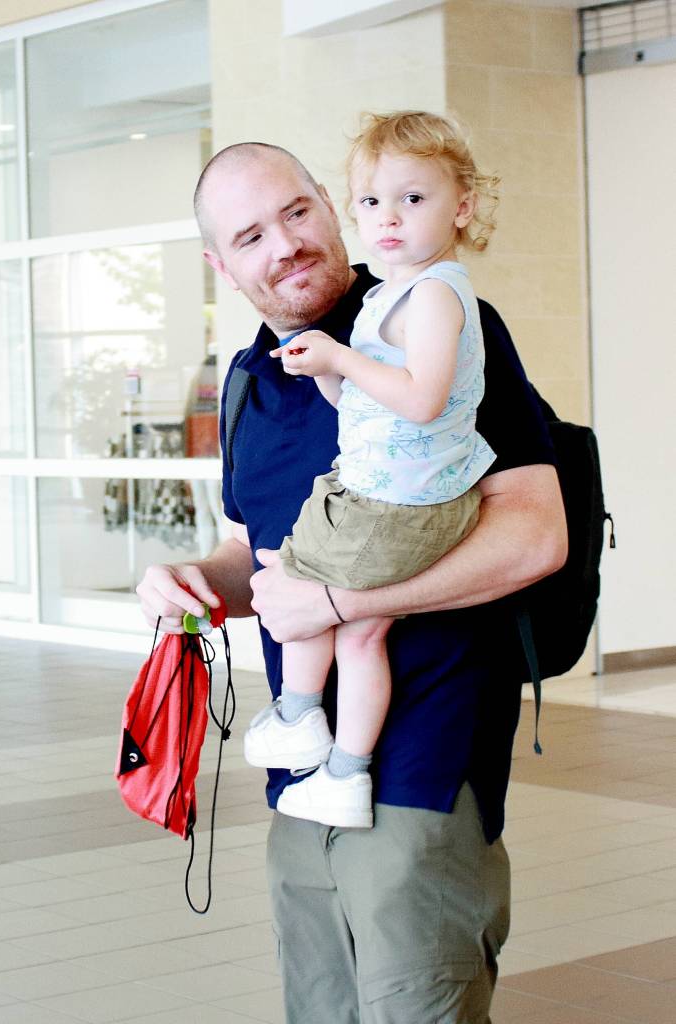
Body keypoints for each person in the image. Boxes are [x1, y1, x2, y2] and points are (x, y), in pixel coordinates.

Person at [137, 118, 567, 1023]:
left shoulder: (431, 321)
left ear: (330, 208)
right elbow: (248, 552)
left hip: (422, 761)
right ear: (223, 265)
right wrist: (190, 583)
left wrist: (341, 598)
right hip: (304, 770)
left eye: (297, 212)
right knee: (321, 1010)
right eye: (251, 235)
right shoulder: (252, 378)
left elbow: (534, 538)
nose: (286, 244)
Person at [242, 111, 499, 831]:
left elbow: (420, 398)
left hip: (396, 502)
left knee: (294, 579)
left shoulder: (437, 294)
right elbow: (365, 398)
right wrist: (327, 371)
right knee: (357, 635)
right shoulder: (395, 293)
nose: (387, 218)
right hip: (396, 495)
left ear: (463, 205)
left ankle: (298, 718)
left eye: (412, 199)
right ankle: (344, 768)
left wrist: (339, 358)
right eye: (372, 202)